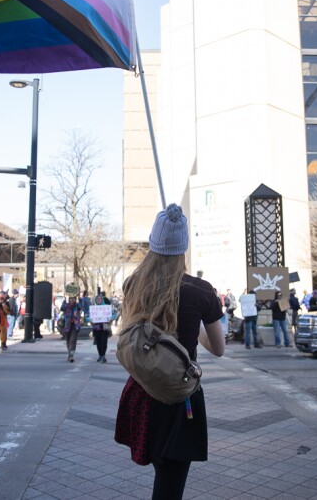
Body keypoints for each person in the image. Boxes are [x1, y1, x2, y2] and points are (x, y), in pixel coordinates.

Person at [114, 203, 225, 500]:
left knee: (162, 477)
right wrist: (195, 326)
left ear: (153, 243)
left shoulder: (133, 284)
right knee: (171, 485)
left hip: (142, 391)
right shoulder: (202, 291)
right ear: (184, 247)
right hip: (180, 397)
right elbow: (219, 348)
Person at [60, 294, 87, 362]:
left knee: (73, 340)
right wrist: (65, 300)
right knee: (68, 340)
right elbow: (62, 308)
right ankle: (70, 353)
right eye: (71, 299)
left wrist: (79, 298)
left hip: (75, 325)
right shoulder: (67, 305)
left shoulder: (77, 306)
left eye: (73, 299)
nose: (72, 300)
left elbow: (82, 306)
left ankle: (71, 355)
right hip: (67, 326)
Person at [91, 292, 112, 362]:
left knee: (104, 341)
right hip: (96, 328)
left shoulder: (106, 307)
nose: (98, 300)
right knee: (98, 342)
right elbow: (88, 317)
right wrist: (90, 320)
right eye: (97, 299)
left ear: (102, 300)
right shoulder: (94, 308)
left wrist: (110, 318)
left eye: (100, 299)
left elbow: (113, 315)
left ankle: (103, 355)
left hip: (104, 327)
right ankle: (100, 355)